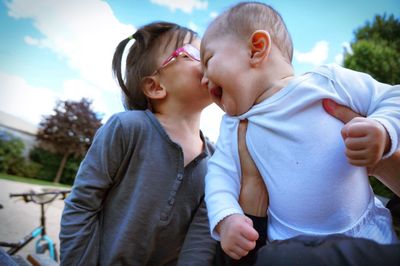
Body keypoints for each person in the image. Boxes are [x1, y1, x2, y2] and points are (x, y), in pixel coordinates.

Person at [201, 1, 400, 260]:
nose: (203, 79)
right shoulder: (234, 124)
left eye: (208, 61)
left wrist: (383, 130)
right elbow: (219, 177)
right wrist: (227, 218)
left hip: (370, 231)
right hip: (288, 246)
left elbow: (392, 97)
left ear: (256, 49)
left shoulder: (327, 82)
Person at [59, 21, 217, 265]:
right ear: (155, 87)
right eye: (195, 54)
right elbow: (82, 206)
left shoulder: (216, 161)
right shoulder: (127, 129)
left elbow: (200, 239)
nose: (209, 60)